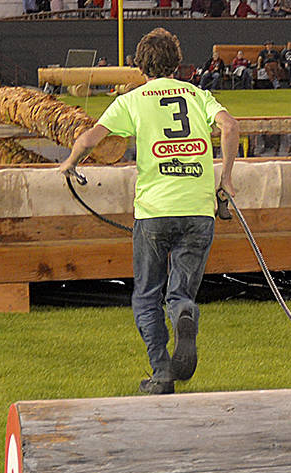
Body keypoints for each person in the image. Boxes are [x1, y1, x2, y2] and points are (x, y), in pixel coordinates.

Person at [57, 28, 240, 395]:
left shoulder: (133, 99)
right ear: (176, 62)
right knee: (179, 293)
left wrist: (70, 162)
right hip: (198, 209)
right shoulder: (198, 94)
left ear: (142, 66)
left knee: (145, 295)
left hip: (155, 210)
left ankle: (161, 374)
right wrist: (227, 177)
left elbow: (92, 136)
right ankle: (184, 311)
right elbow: (231, 126)